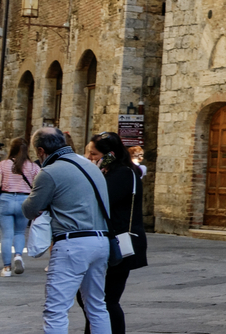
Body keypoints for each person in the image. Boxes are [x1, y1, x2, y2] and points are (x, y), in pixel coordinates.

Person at [23, 127, 112, 334]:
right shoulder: (90, 166)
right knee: (97, 306)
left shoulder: (49, 172)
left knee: (56, 310)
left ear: (40, 151)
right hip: (101, 241)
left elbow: (30, 210)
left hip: (73, 243)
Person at [85, 132, 147, 334]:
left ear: (109, 154)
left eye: (93, 154)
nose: (89, 158)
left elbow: (101, 203)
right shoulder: (110, 171)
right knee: (95, 298)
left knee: (106, 299)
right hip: (110, 241)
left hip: (119, 242)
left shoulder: (121, 174)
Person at [0, 137, 41, 276]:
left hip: (6, 199)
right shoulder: (33, 166)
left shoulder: (3, 164)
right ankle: (18, 255)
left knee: (6, 235)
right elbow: (38, 186)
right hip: (24, 200)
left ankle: (6, 268)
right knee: (20, 232)